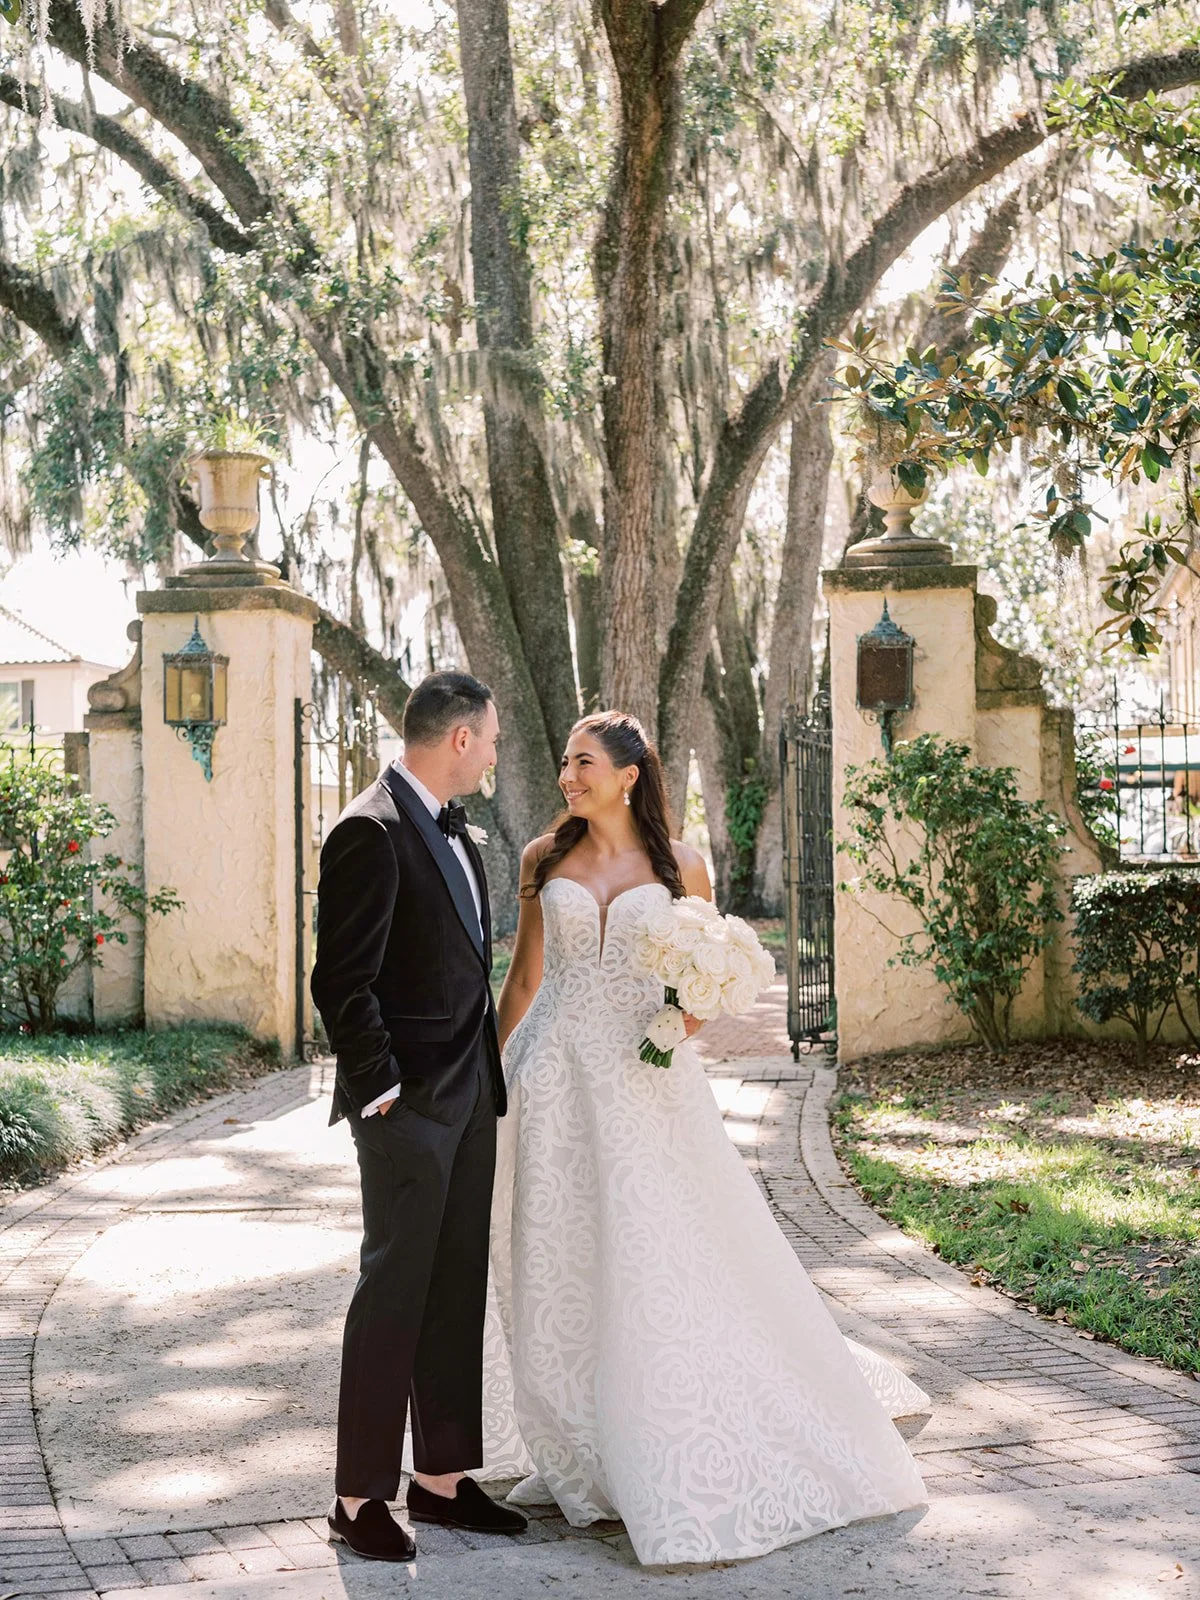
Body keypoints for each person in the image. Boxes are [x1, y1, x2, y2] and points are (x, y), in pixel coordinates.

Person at [488, 709, 928, 1566]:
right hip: (552, 1079)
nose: (567, 777)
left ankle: (659, 1436)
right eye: (564, 763)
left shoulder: (682, 865)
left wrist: (681, 1020)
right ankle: (585, 1447)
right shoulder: (544, 858)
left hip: (647, 1086)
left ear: (627, 773)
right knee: (559, 1257)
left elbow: (707, 974)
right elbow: (526, 975)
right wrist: (486, 1068)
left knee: (660, 1255)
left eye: (582, 763)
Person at [310, 670, 527, 1561]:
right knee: (392, 1293)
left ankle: (440, 1481)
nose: (501, 751)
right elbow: (339, 980)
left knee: (452, 1291)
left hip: (469, 1095)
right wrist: (382, 1087)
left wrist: (478, 1078)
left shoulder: (456, 831)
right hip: (405, 1107)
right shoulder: (369, 828)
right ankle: (356, 1496)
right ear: (460, 739)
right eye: (495, 737)